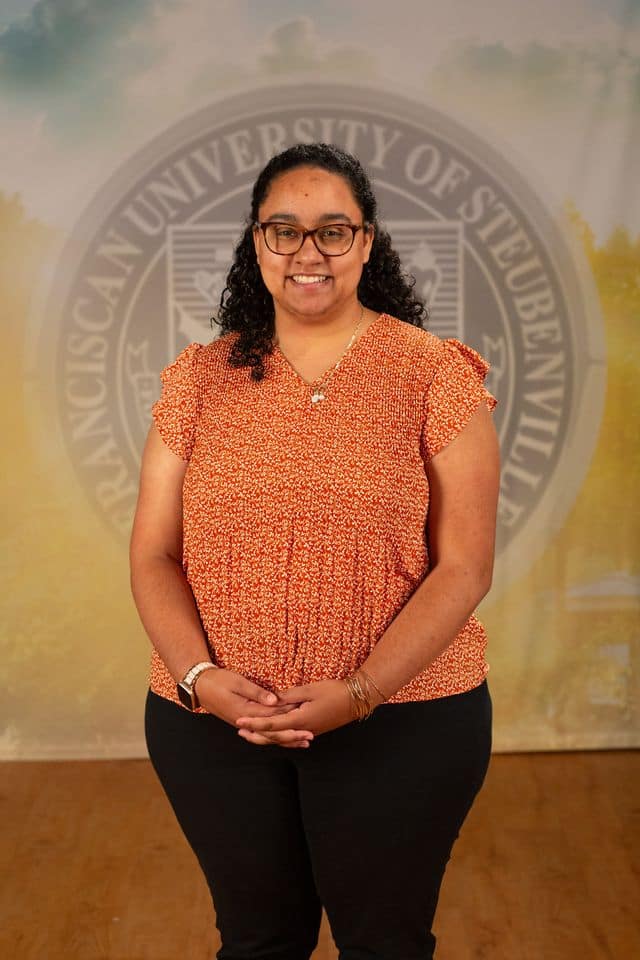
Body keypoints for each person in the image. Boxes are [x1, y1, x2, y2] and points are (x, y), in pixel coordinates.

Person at [130, 142, 500, 960]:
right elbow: (154, 555)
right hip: (215, 724)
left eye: (334, 230)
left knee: (385, 943)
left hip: (406, 720)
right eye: (284, 230)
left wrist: (362, 693)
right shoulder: (199, 379)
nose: (308, 252)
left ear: (367, 243)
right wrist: (202, 682)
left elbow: (466, 565)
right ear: (255, 242)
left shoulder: (435, 375)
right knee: (258, 942)